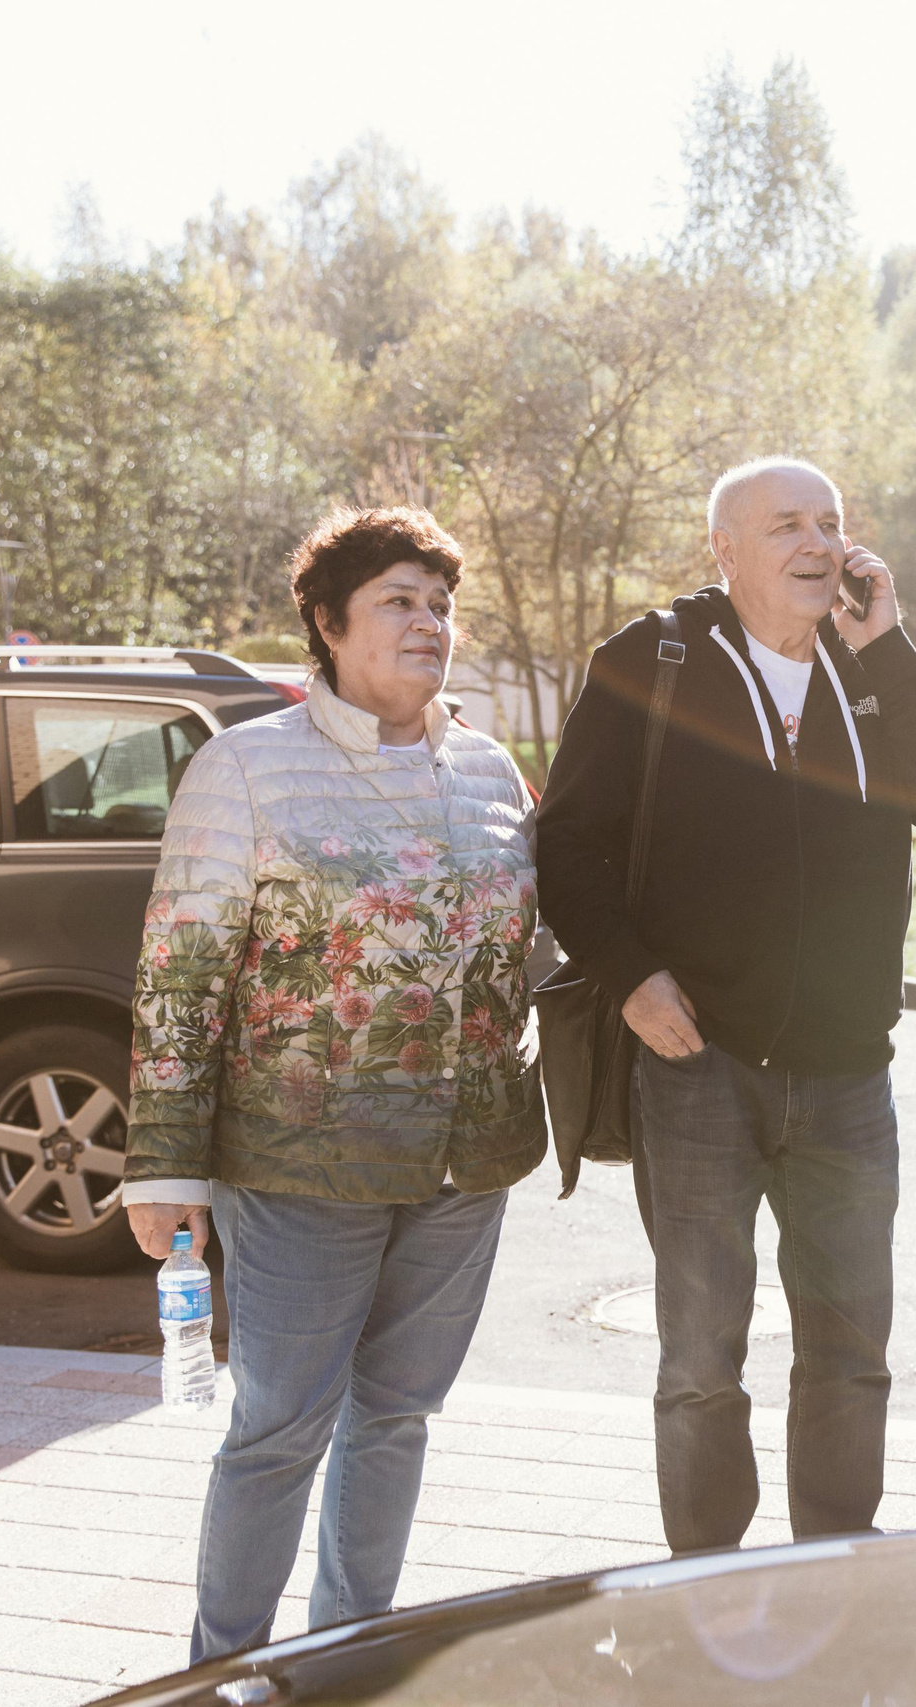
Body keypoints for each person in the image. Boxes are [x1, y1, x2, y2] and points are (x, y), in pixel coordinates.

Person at [537, 456, 916, 1554]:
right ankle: (704, 1582)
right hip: (696, 1064)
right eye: (786, 523)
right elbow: (565, 844)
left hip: (849, 1076)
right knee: (701, 1359)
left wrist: (886, 644)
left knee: (849, 1352)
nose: (816, 542)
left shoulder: (865, 667)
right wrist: (628, 973)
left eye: (831, 522)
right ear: (726, 550)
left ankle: (831, 1572)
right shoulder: (650, 660)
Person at [121, 506, 545, 1661]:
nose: (430, 624)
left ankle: (349, 1656)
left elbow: (525, 949)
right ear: (327, 622)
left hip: (466, 1165)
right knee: (279, 1428)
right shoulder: (247, 768)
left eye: (442, 605)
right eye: (401, 601)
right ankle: (223, 1668)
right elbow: (179, 971)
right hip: (301, 1165)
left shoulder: (488, 767)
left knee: (398, 1418)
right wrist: (164, 1163)